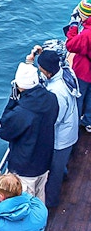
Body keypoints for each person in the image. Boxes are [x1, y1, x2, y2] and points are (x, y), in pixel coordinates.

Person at [0, 62, 58, 202]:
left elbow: (3, 131)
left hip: (25, 167)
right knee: (40, 196)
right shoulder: (52, 98)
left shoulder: (21, 112)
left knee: (25, 203)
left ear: (19, 86)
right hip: (44, 160)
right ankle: (41, 221)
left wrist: (12, 100)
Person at [26, 48, 79, 207]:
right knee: (59, 164)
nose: (40, 73)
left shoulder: (57, 92)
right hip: (70, 128)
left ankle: (50, 202)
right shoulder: (65, 71)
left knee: (54, 172)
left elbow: (54, 119)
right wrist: (36, 58)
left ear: (49, 73)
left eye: (41, 70)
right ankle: (63, 172)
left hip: (61, 138)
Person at [65, 0, 91, 132]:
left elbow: (70, 45)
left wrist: (74, 25)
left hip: (84, 72)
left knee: (79, 97)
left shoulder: (87, 34)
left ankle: (75, 123)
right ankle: (89, 122)